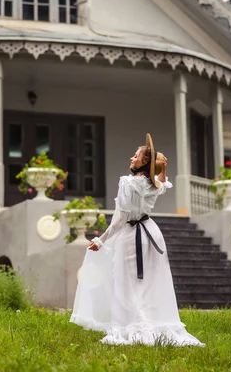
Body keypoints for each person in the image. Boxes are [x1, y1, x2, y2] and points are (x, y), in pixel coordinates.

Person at [70, 134, 204, 347]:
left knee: (126, 282)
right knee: (149, 283)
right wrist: (162, 169)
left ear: (144, 163)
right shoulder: (152, 185)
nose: (132, 158)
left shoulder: (128, 183)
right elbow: (162, 182)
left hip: (132, 234)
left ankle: (133, 325)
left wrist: (101, 240)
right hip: (151, 234)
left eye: (136, 156)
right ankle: (152, 322)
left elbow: (122, 217)